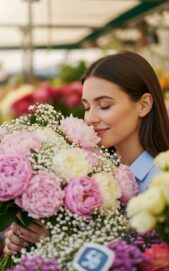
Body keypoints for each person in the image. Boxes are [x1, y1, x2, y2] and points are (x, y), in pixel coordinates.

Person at [4, 51, 169, 256]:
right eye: (87, 106)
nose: (90, 118)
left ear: (144, 104)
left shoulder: (162, 182)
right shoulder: (87, 171)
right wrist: (26, 237)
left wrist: (60, 243)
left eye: (104, 105)